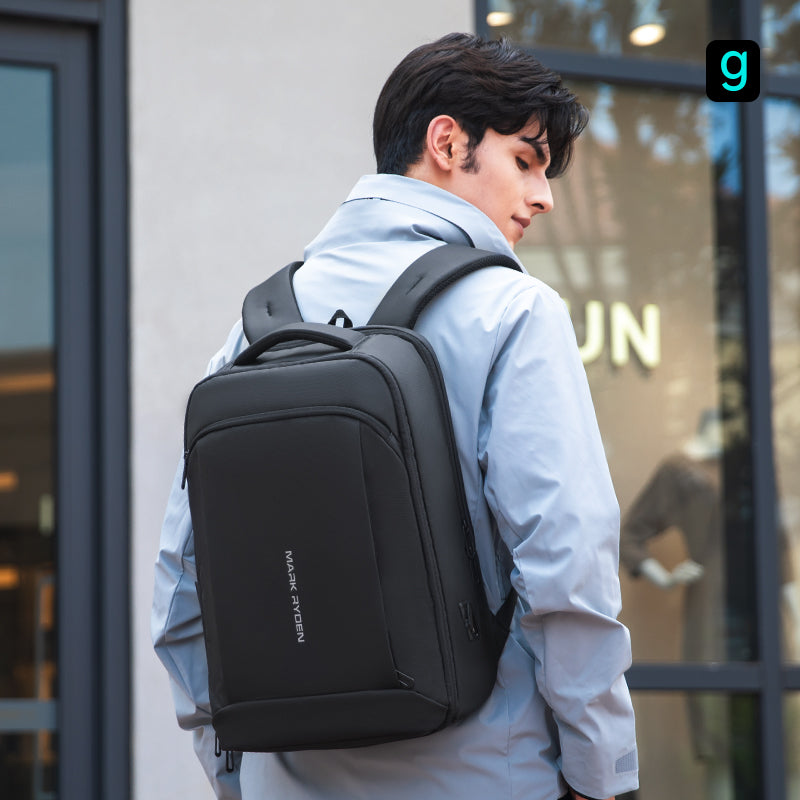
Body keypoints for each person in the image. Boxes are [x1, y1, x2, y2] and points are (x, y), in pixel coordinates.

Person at [152, 32, 638, 800]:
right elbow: (567, 567)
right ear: (448, 143)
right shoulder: (511, 313)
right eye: (526, 159)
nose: (543, 196)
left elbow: (183, 587)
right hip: (486, 777)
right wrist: (600, 773)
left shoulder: (257, 327)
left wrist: (237, 771)